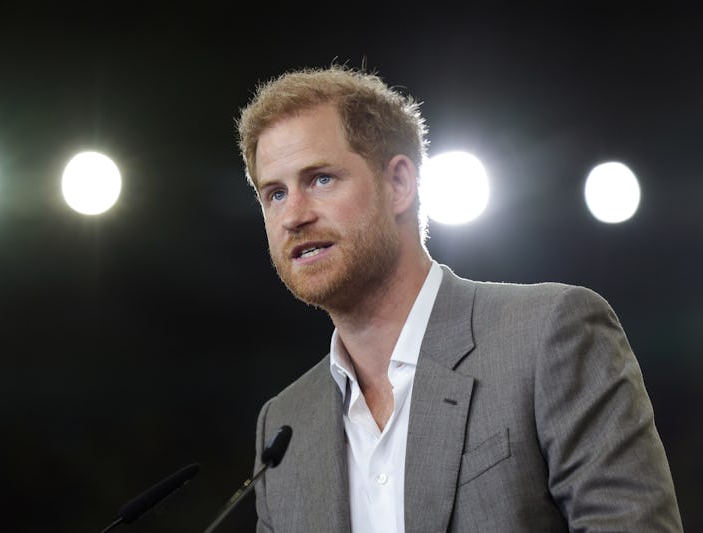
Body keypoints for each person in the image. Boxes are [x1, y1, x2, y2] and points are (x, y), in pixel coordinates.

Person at [235, 64, 683, 532]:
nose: (293, 216)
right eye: (275, 194)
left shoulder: (549, 333)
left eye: (321, 179)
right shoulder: (284, 426)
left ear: (399, 185)